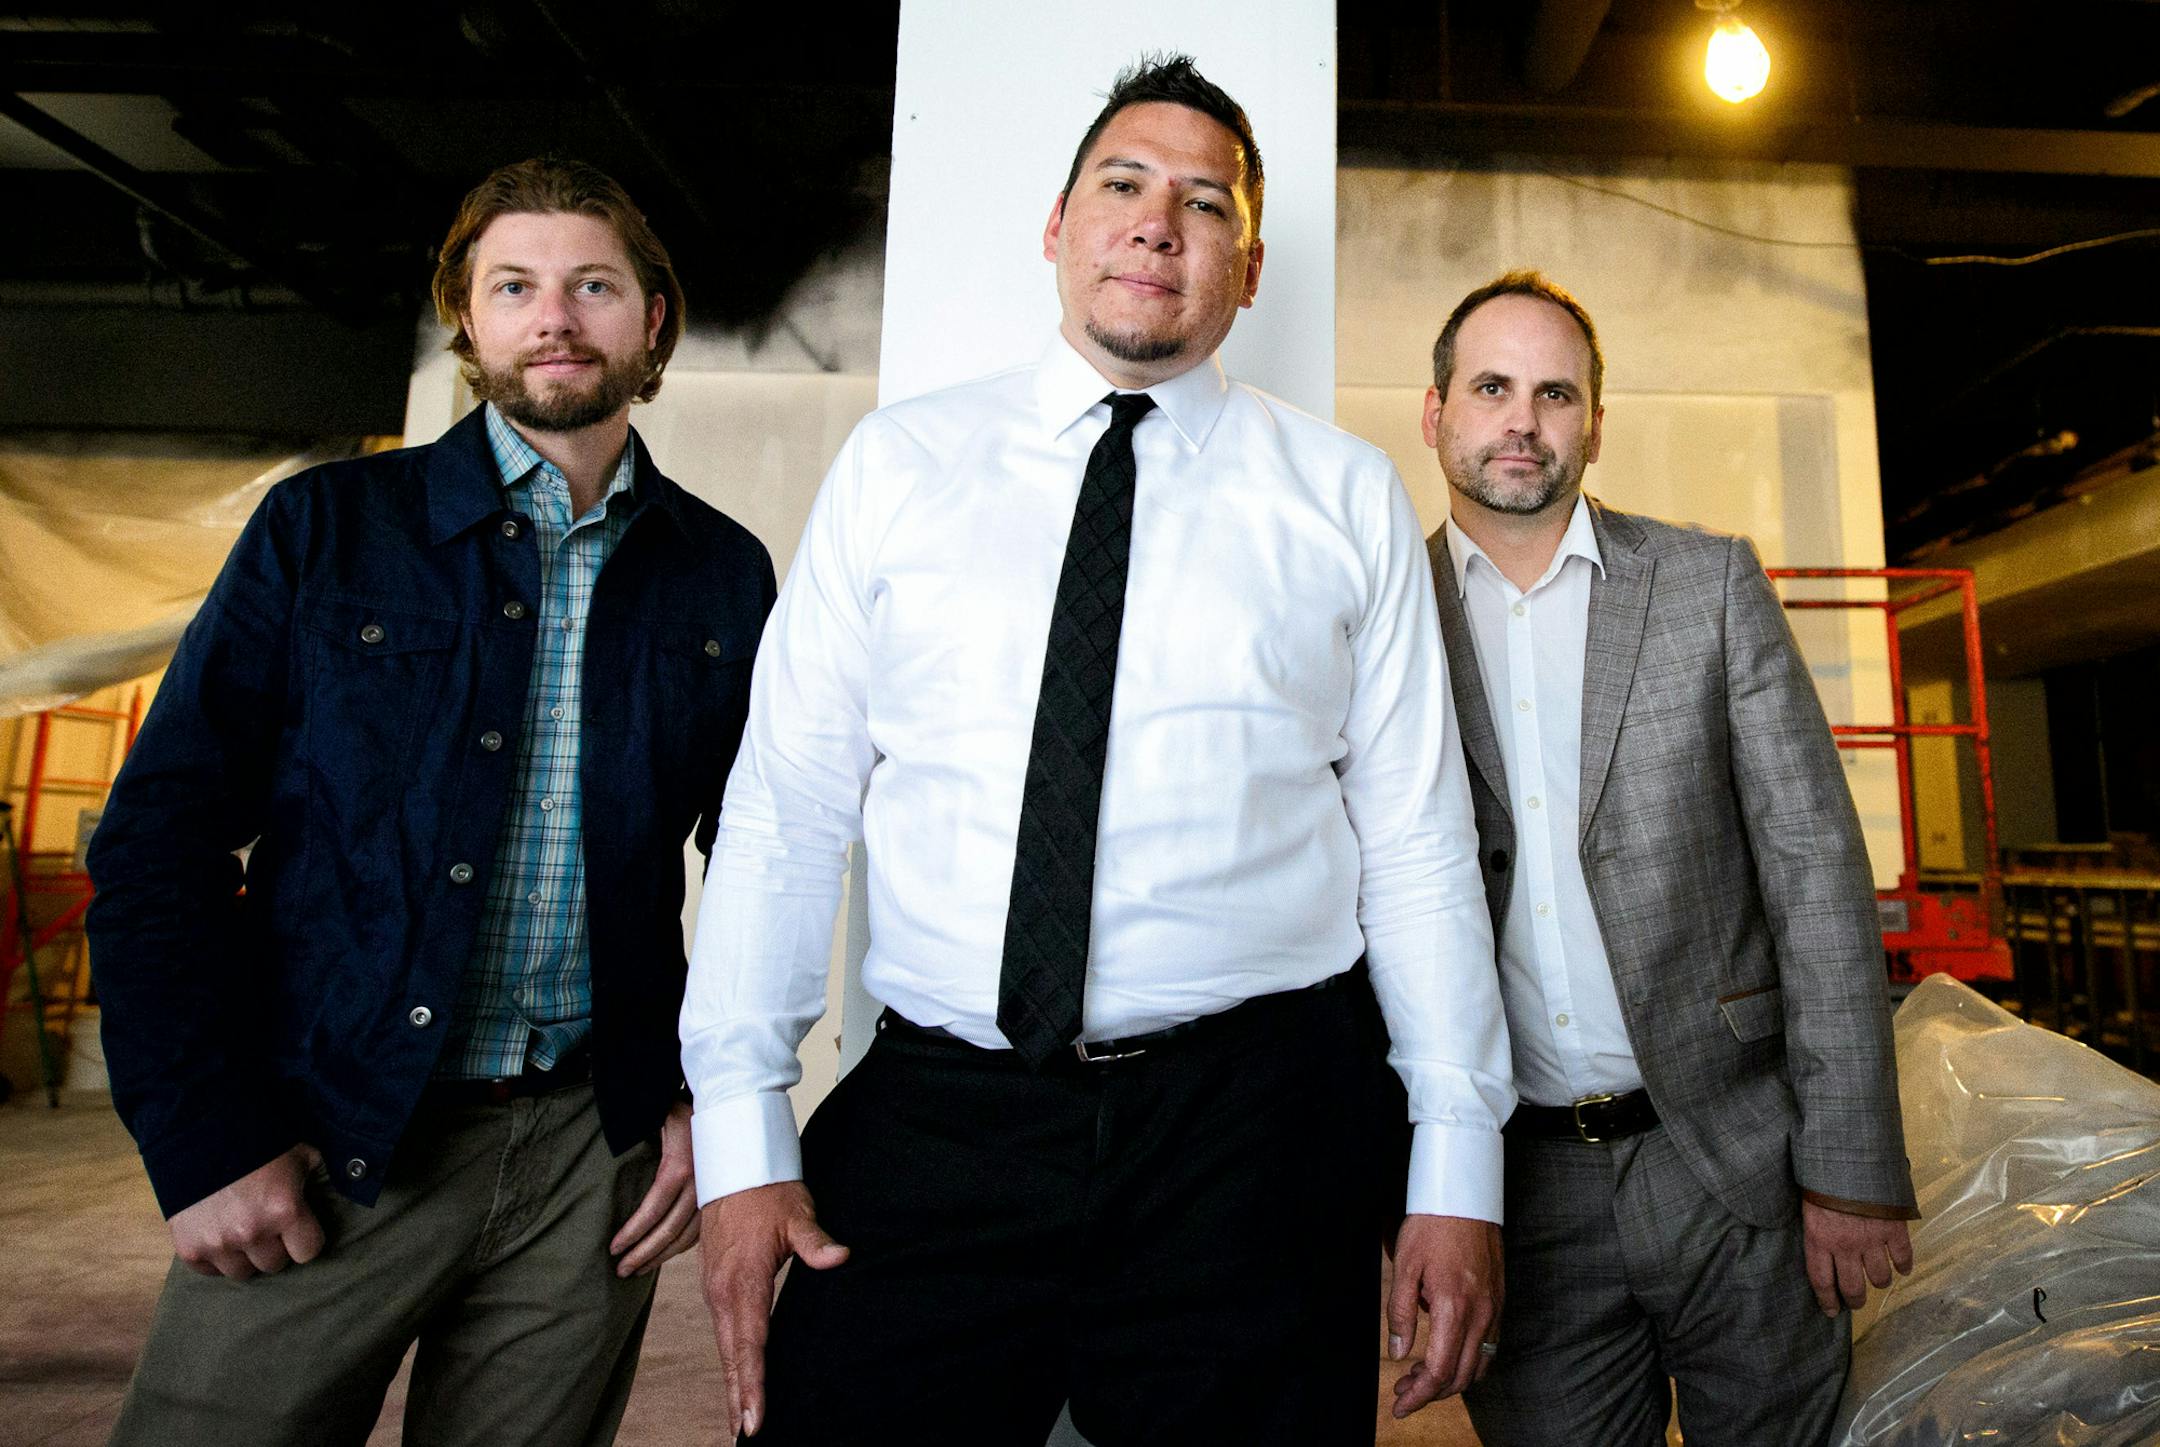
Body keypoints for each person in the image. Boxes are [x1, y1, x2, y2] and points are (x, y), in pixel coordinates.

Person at [683, 55, 1512, 1446]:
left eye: (1206, 202)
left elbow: (1417, 840)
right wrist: (742, 1132)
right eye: (1123, 184)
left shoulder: (1343, 495)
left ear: (1248, 269)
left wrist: (1455, 1161)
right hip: (943, 1109)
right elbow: (785, 809)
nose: (1157, 223)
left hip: (1252, 1132)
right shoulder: (898, 468)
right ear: (1058, 226)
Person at [84, 156, 775, 1446]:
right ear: (467, 315)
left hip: (589, 1163)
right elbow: (158, 843)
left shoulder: (722, 574)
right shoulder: (323, 530)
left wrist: (707, 1101)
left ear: (652, 319)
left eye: (592, 285)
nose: (554, 317)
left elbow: (759, 864)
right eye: (514, 286)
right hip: (325, 1139)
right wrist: (204, 1138)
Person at [1417, 269, 1918, 1446]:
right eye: (1491, 388)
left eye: (1556, 393)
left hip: (1736, 1163)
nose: (1523, 420)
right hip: (1515, 1194)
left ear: (1597, 422)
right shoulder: (1385, 614)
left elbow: (1816, 879)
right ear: (1434, 412)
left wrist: (1851, 1166)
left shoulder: (1708, 584)